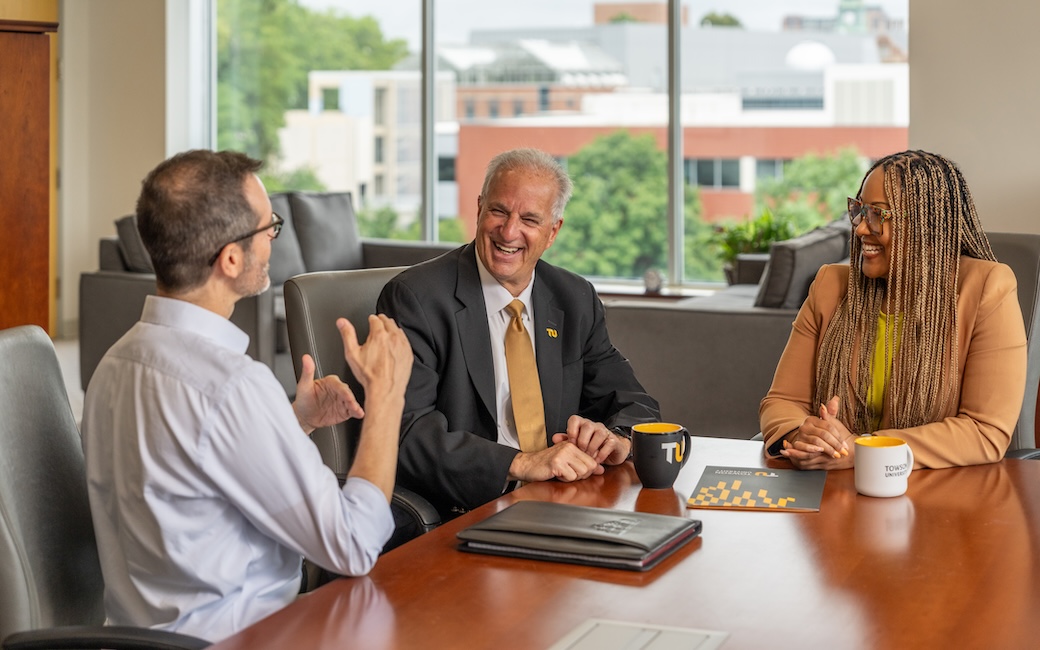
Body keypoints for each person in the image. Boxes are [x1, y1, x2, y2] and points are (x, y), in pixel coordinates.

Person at [81, 150, 412, 642]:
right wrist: (386, 395)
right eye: (269, 228)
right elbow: (354, 544)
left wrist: (290, 420)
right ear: (231, 259)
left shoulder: (114, 363)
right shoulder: (230, 385)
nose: (273, 241)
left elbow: (185, 475)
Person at [376, 147, 660, 517]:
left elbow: (634, 401)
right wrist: (521, 464)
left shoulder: (574, 298)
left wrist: (617, 439)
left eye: (529, 219)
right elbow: (407, 433)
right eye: (498, 211)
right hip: (467, 508)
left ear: (553, 231)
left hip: (563, 502)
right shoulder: (416, 298)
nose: (509, 231)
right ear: (479, 208)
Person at [760, 149, 1027, 470]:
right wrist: (805, 433)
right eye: (859, 210)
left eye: (878, 214)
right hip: (833, 489)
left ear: (926, 225)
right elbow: (782, 402)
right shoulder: (831, 285)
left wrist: (864, 450)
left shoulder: (987, 287)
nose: (860, 228)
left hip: (935, 494)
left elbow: (985, 431)